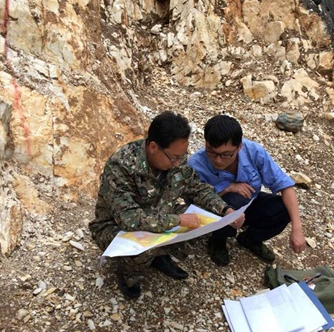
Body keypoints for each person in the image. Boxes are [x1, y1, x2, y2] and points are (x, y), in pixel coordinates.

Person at [89, 111, 245, 299]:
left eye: (182, 156)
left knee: (204, 218)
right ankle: (130, 275)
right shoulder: (121, 165)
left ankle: (159, 255)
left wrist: (225, 210)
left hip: (160, 213)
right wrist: (178, 220)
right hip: (115, 225)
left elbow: (196, 187)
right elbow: (129, 219)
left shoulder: (175, 157)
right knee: (143, 246)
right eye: (174, 158)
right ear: (153, 147)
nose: (178, 163)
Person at [188, 114, 306, 266]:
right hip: (218, 211)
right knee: (234, 199)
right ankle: (218, 240)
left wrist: (297, 228)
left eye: (225, 155)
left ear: (239, 147)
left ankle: (250, 239)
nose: (217, 160)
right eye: (211, 151)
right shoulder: (196, 164)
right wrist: (227, 188)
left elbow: (284, 185)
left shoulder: (254, 152)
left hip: (250, 202)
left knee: (284, 208)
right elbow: (194, 202)